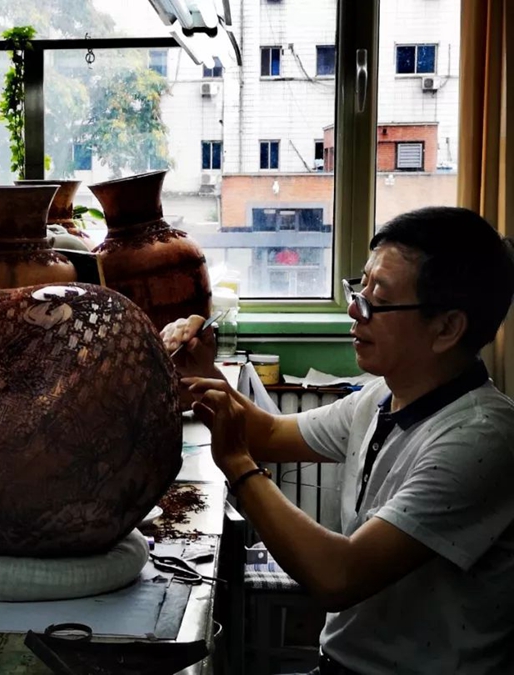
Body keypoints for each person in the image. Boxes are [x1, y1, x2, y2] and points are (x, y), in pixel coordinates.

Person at [161, 207, 514, 675]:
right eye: (359, 289)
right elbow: (270, 433)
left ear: (447, 328)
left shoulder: (480, 441)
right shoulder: (382, 395)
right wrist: (204, 373)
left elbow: (337, 576)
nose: (354, 309)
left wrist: (240, 466)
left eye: (377, 300)